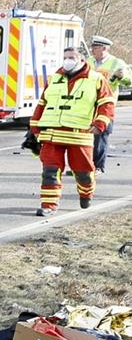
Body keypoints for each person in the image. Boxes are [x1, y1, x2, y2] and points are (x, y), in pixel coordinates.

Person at [29, 46, 115, 216]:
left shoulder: (96, 79)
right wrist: (35, 125)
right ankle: (48, 205)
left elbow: (107, 103)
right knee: (50, 171)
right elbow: (43, 103)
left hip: (79, 135)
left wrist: (100, 123)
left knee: (83, 172)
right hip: (52, 132)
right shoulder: (54, 78)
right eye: (66, 57)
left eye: (72, 57)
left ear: (82, 60)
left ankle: (86, 193)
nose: (68, 60)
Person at [86, 35, 129, 173]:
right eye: (92, 47)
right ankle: (84, 166)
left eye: (95, 47)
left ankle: (97, 166)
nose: (92, 49)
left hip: (105, 105)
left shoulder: (117, 63)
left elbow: (129, 82)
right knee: (85, 136)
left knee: (101, 136)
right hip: (87, 104)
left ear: (104, 48)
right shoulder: (88, 61)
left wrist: (122, 76)